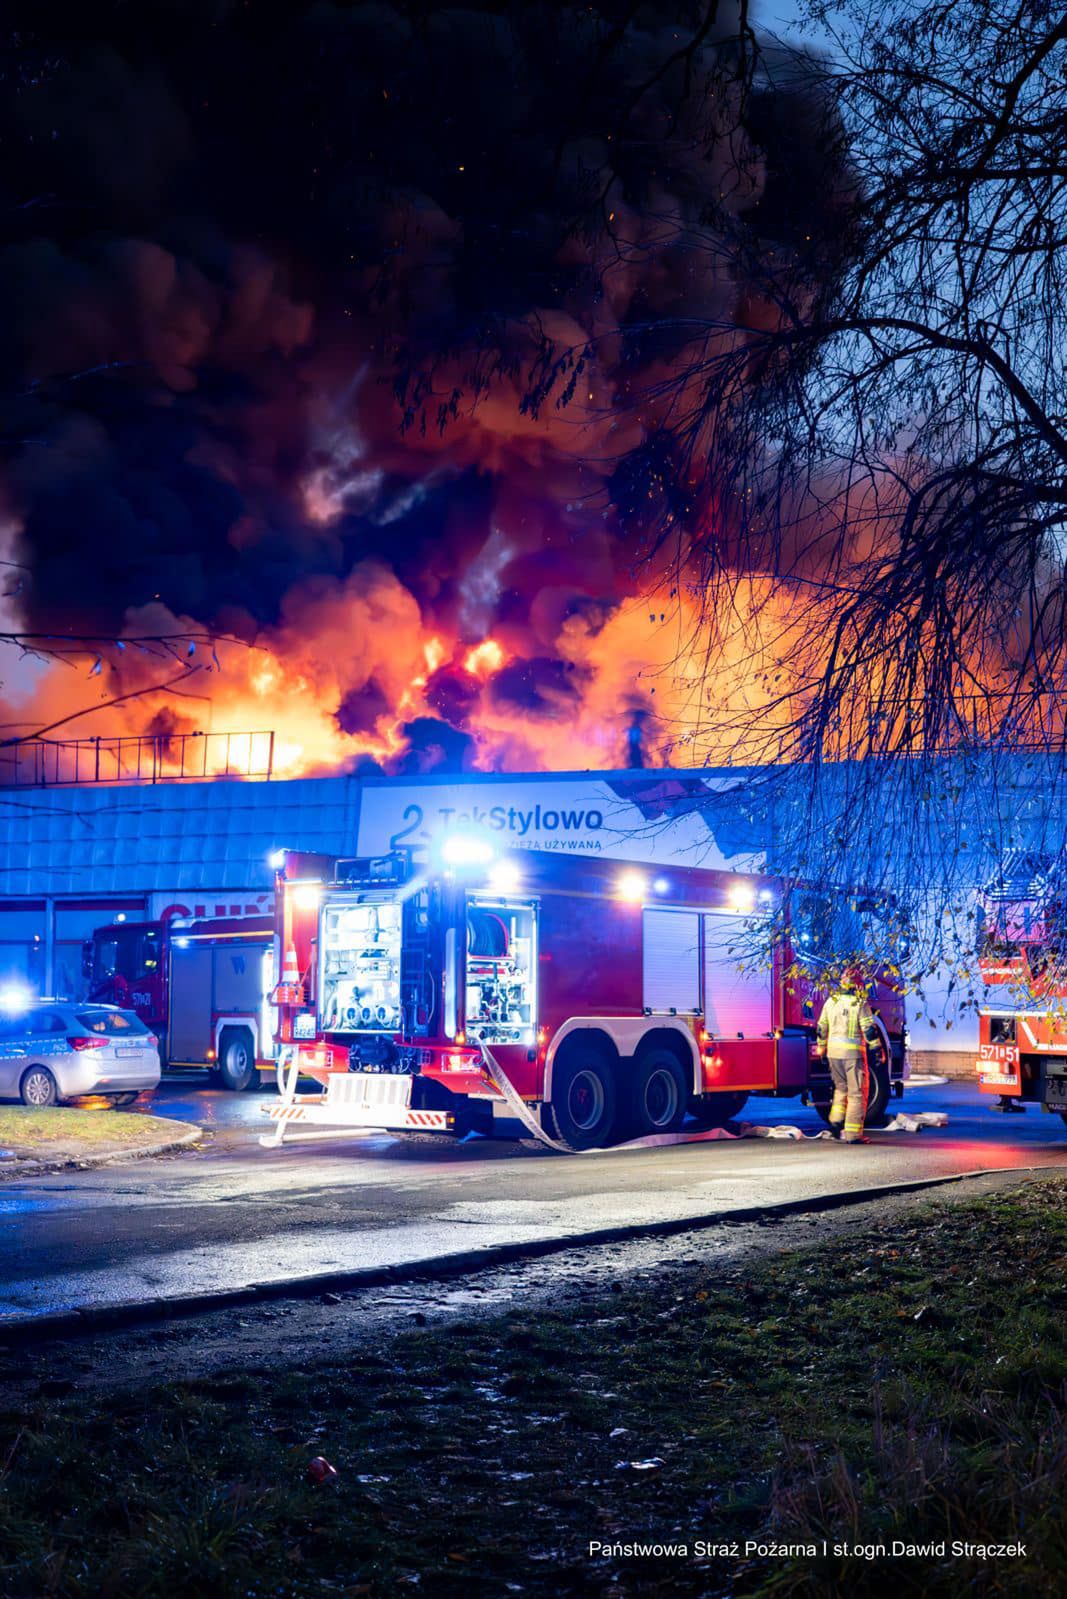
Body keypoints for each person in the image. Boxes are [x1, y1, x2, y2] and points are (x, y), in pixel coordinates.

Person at [815, 966, 883, 1143]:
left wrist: (822, 1049)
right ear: (858, 984)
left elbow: (821, 1027)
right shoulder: (859, 1003)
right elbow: (869, 1030)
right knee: (857, 1093)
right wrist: (877, 1050)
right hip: (853, 1056)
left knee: (840, 1089)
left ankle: (836, 1123)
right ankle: (853, 1135)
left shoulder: (831, 1001)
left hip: (833, 1054)